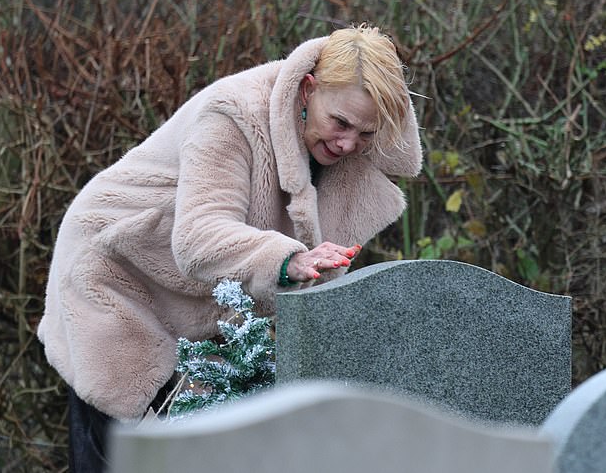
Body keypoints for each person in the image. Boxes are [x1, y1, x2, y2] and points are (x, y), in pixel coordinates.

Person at [37, 24, 422, 470]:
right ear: (308, 89)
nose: (348, 143)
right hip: (114, 276)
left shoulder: (347, 155)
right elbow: (199, 235)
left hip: (198, 301)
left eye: (367, 134)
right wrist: (288, 258)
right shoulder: (231, 115)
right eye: (340, 123)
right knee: (127, 455)